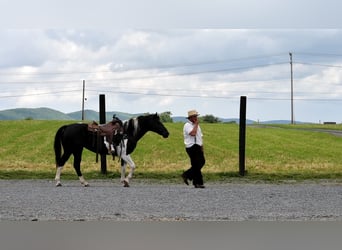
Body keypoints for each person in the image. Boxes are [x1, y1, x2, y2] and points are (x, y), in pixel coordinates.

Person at [182, 110, 206, 188]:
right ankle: (198, 182)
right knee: (196, 164)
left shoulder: (197, 125)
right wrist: (196, 124)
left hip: (198, 146)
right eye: (194, 116)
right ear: (190, 118)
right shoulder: (187, 125)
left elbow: (200, 136)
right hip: (191, 146)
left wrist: (202, 147)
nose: (196, 118)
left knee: (201, 162)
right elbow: (193, 134)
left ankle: (187, 175)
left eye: (196, 116)